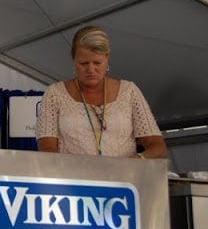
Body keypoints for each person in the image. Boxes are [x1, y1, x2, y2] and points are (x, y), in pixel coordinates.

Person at [35, 25, 167, 159]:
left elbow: (158, 147)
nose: (91, 70)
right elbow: (47, 149)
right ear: (73, 59)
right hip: (74, 178)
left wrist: (136, 160)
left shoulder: (129, 91)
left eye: (97, 63)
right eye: (84, 63)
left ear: (107, 58)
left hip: (123, 177)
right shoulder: (55, 94)